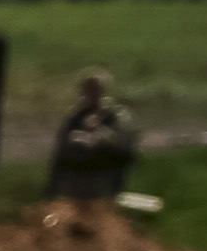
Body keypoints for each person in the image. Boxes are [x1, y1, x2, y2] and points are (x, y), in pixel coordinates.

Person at [40, 69, 140, 208]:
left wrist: (98, 135)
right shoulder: (75, 117)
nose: (91, 94)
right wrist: (52, 186)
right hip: (74, 181)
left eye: (95, 90)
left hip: (103, 180)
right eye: (88, 90)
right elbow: (60, 151)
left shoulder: (116, 117)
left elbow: (125, 148)